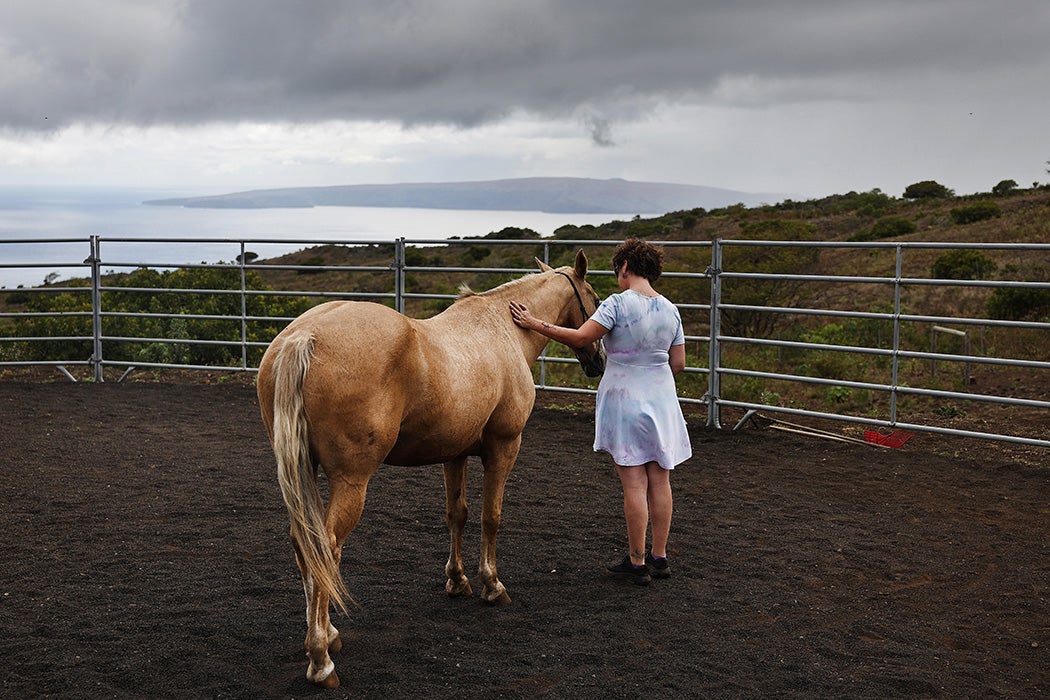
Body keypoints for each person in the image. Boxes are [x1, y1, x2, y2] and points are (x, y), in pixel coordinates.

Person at [509, 238, 691, 586]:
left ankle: (636, 563)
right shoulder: (671, 309)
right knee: (660, 479)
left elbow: (580, 338)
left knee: (634, 484)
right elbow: (678, 363)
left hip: (625, 401)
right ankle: (660, 557)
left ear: (624, 268)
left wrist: (534, 323)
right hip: (663, 400)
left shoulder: (616, 305)